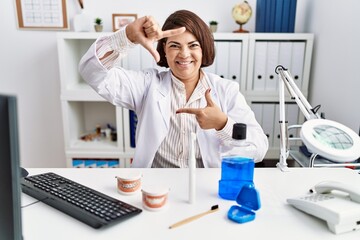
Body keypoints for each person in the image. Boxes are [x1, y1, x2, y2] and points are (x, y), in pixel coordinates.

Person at [79, 10, 268, 168]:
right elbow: (91, 72)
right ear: (164, 51)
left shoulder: (227, 91)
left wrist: (223, 124)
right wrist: (127, 35)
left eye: (193, 45)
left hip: (207, 188)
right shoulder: (147, 85)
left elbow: (259, 150)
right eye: (174, 46)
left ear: (204, 49)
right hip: (157, 188)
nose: (184, 54)